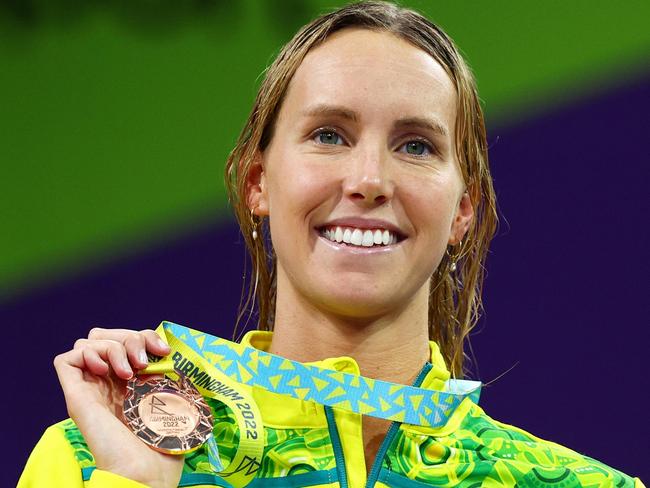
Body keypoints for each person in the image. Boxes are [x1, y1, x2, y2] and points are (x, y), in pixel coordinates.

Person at [18, 1, 644, 487]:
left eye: (416, 146)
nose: (369, 180)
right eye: (328, 135)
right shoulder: (90, 460)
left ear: (464, 211)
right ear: (258, 182)